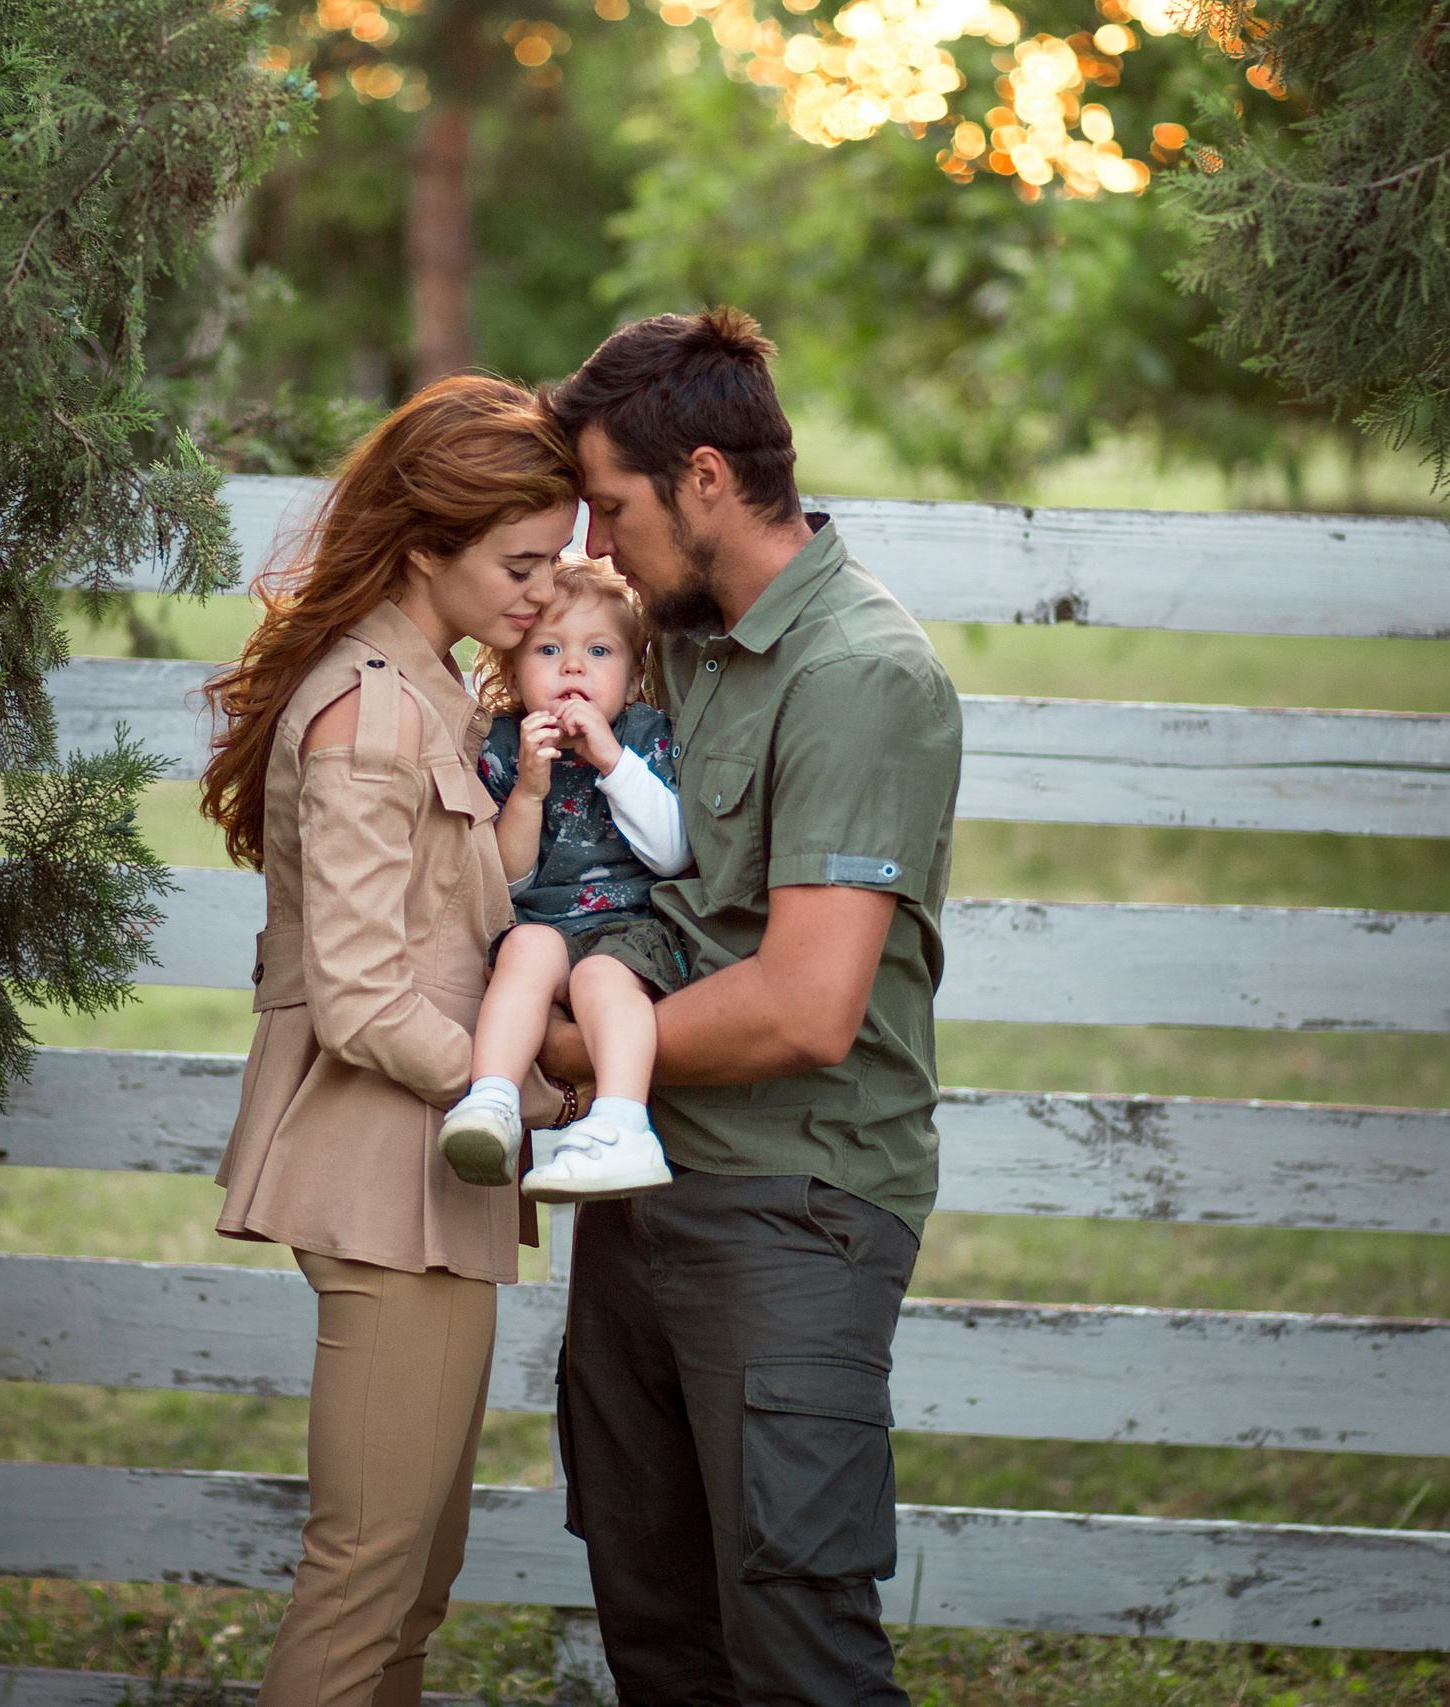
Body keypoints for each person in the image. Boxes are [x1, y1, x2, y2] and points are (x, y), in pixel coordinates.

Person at [542, 309, 963, 1704]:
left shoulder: (858, 673)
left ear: (706, 479)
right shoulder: (673, 643)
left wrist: (569, 1051)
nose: (596, 544)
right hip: (640, 1192)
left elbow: (804, 1008)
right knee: (657, 1633)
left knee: (795, 1653)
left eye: (611, 506)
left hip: (793, 1211)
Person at [199, 375, 579, 1707]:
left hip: (435, 1172)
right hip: (383, 1177)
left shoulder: (431, 690)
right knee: (366, 1581)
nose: (546, 592)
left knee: (414, 1579)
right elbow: (360, 998)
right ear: (425, 545)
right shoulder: (371, 712)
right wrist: (536, 1089)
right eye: (521, 566)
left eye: (556, 559)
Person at [435, 554, 692, 1202]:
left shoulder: (645, 735)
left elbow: (672, 854)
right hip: (545, 925)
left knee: (600, 977)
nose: (573, 667)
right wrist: (528, 789)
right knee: (524, 947)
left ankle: (623, 1123)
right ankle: (493, 1100)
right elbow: (509, 883)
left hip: (630, 931)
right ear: (513, 672)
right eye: (549, 650)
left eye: (599, 651)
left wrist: (612, 760)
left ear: (633, 680)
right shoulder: (504, 745)